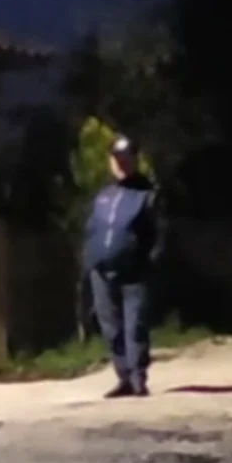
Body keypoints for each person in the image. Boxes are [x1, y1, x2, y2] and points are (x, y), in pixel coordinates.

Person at [83, 135, 164, 398]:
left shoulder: (146, 194)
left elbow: (159, 232)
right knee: (110, 326)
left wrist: (151, 260)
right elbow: (92, 230)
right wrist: (90, 261)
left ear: (134, 160)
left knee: (135, 325)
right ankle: (123, 377)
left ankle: (138, 377)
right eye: (117, 160)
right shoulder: (103, 195)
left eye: (126, 159)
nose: (121, 165)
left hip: (134, 271)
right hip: (102, 270)